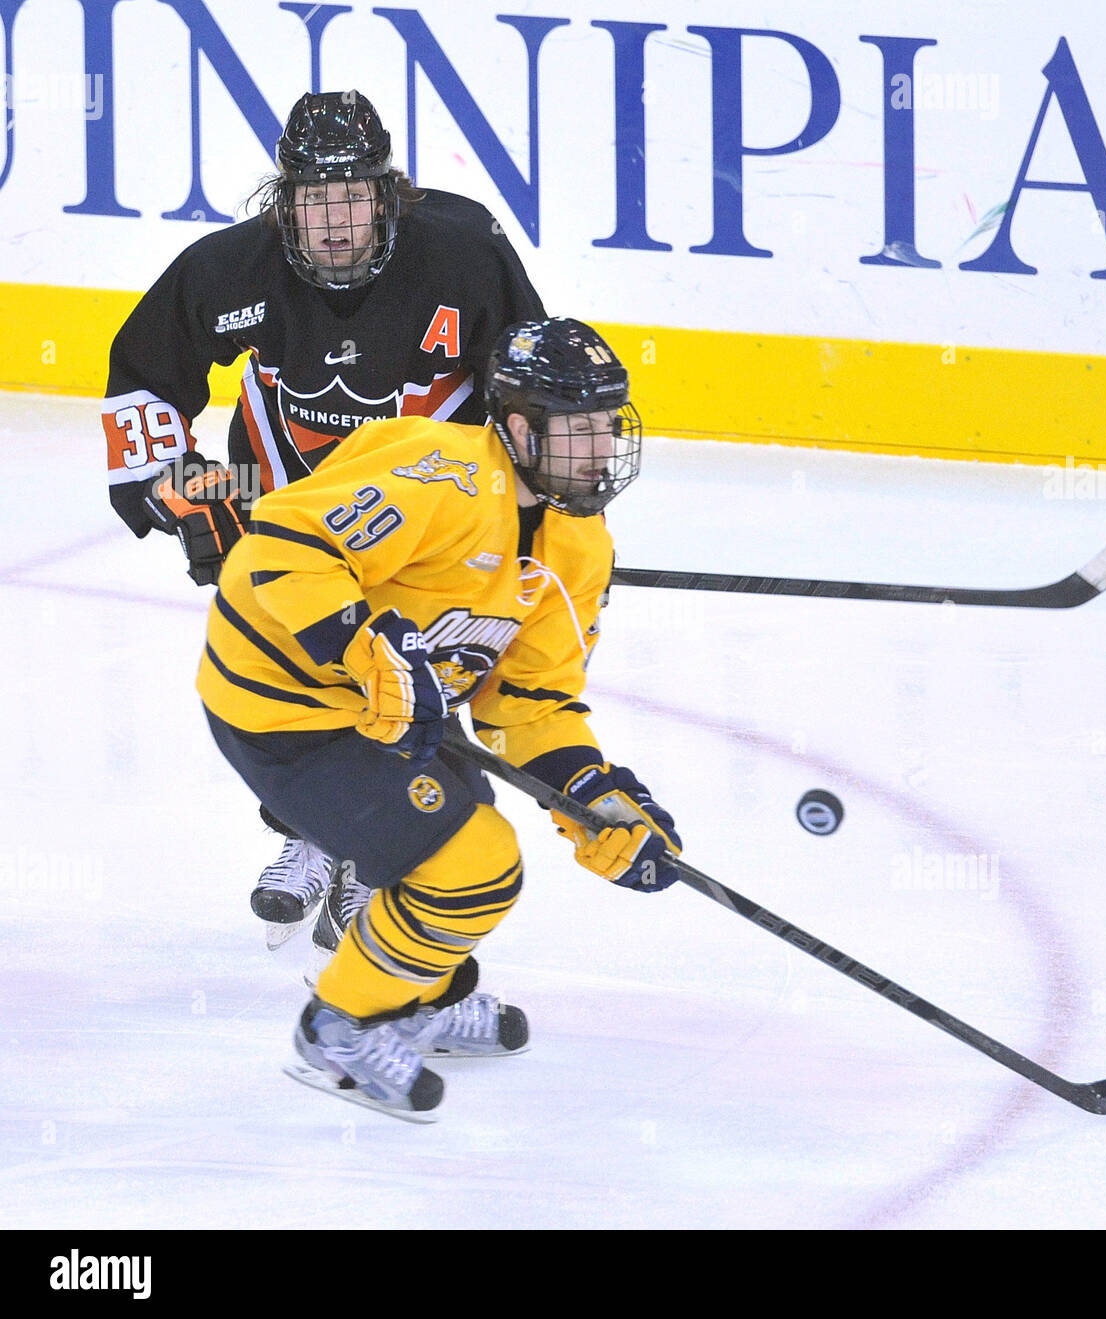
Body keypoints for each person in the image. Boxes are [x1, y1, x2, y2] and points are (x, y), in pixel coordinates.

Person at [197, 317, 681, 1116]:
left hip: (383, 712)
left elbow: (530, 701)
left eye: (609, 425)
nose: (602, 448)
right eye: (581, 429)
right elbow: (281, 546)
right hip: (281, 703)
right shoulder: (440, 473)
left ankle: (418, 999)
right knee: (471, 864)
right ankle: (338, 1029)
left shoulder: (580, 546)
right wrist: (362, 644)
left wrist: (593, 795)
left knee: (458, 834)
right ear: (520, 429)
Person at [102, 90, 547, 946]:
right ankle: (317, 830)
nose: (336, 222)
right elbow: (145, 377)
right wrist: (174, 480)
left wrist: (526, 519)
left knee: (405, 680)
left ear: (389, 196)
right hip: (290, 523)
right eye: (315, 199)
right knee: (293, 674)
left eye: (354, 197)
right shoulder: (230, 270)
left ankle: (378, 856)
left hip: (423, 532)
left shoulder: (462, 252)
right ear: (285, 201)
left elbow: (528, 380)